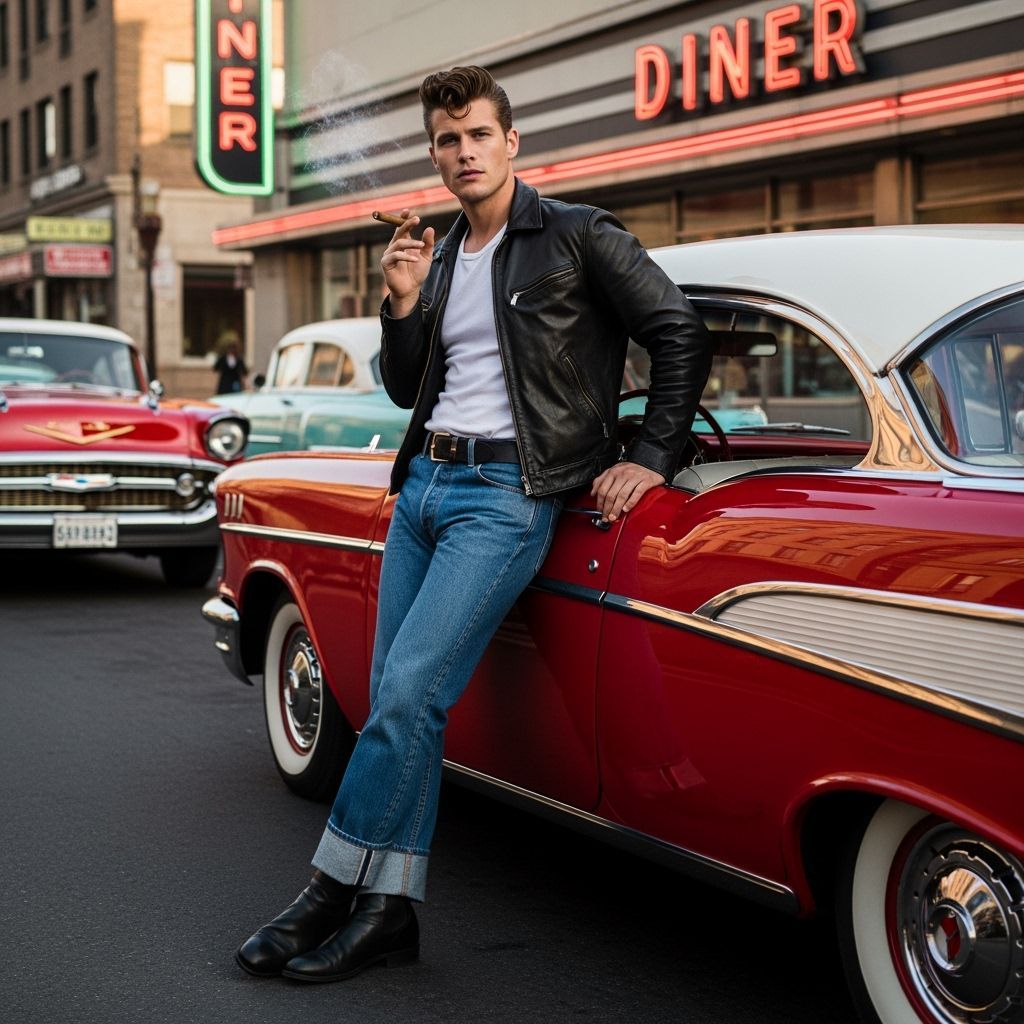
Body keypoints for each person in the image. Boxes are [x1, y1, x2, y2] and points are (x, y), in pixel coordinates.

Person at [236, 65, 712, 983]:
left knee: (411, 694)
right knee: (394, 705)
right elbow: (412, 386)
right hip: (423, 492)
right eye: (447, 141)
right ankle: (389, 912)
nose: (463, 153)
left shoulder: (577, 235)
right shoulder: (443, 251)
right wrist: (403, 300)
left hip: (507, 496)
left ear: (512, 141)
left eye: (479, 136)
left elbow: (678, 329)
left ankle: (326, 890)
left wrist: (651, 455)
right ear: (436, 152)